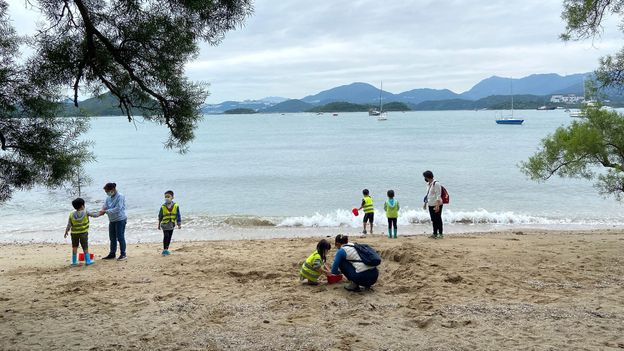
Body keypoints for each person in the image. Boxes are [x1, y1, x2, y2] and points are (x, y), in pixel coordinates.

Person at [64, 198, 99, 266]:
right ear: (82, 206)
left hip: (74, 234)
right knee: (85, 247)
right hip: (83, 233)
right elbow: (94, 215)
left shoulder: (71, 214)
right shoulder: (86, 212)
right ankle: (88, 261)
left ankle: (74, 262)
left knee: (74, 247)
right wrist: (101, 212)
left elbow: (69, 224)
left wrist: (66, 231)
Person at [99, 182, 128, 260]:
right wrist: (101, 211)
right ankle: (112, 254)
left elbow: (118, 208)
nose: (107, 193)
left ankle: (123, 254)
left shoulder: (120, 196)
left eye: (107, 191)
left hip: (120, 219)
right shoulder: (108, 198)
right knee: (112, 238)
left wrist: (106, 211)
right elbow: (105, 206)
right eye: (106, 192)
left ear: (113, 189)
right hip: (112, 220)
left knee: (120, 237)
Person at [157, 190, 181, 256]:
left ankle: (167, 249)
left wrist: (179, 224)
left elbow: (178, 215)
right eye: (165, 197)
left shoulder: (176, 206)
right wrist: (158, 224)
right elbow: (160, 216)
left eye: (168, 196)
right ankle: (164, 250)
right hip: (164, 224)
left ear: (172, 197)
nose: (166, 198)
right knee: (166, 236)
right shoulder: (163, 206)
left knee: (170, 237)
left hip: (171, 224)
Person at [423, 170, 443, 239]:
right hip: (430, 204)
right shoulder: (428, 184)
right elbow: (428, 194)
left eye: (425, 177)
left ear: (427, 177)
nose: (424, 178)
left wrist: (437, 206)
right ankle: (434, 233)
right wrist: (425, 203)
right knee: (433, 219)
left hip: (437, 204)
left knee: (438, 219)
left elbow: (438, 195)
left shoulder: (436, 184)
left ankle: (440, 234)